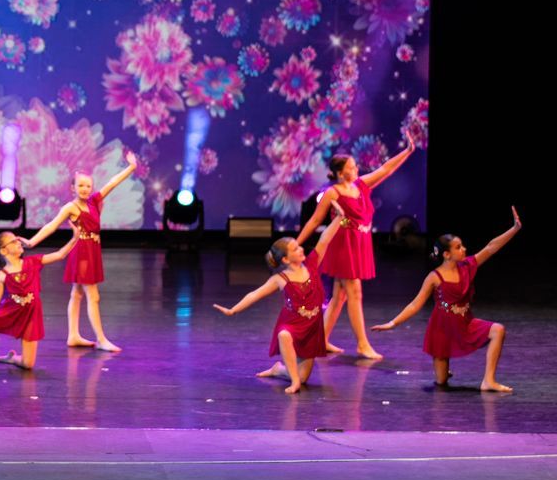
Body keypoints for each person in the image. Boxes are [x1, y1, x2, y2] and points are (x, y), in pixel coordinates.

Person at [292, 126, 421, 360]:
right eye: (351, 167)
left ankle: (319, 339)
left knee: (340, 296)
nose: (356, 169)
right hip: (343, 246)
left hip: (358, 244)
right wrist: (296, 244)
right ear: (340, 173)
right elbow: (314, 221)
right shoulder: (333, 193)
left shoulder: (360, 185)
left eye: (355, 166)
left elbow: (386, 169)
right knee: (354, 292)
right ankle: (362, 344)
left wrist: (408, 151)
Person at [375, 207, 523, 392]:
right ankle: (443, 368)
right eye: (458, 247)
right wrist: (393, 323)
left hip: (465, 323)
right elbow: (415, 304)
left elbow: (491, 247)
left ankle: (488, 380)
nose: (464, 249)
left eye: (462, 246)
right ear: (446, 254)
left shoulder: (467, 266)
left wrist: (514, 229)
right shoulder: (435, 277)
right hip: (442, 330)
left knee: (498, 330)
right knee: (442, 382)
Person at [212, 205, 345, 394]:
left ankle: (279, 370)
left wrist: (339, 218)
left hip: (311, 328)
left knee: (303, 376)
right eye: (295, 249)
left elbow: (324, 239)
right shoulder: (280, 279)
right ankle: (294, 383)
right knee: (284, 335)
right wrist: (233, 310)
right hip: (291, 325)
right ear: (285, 260)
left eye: (299, 246)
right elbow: (254, 294)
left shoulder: (312, 264)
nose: (300, 249)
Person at [25, 150, 140, 351]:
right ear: (73, 188)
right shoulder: (70, 208)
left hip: (92, 250)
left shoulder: (94, 201)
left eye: (88, 185)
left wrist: (131, 167)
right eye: (80, 186)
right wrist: (32, 242)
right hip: (82, 253)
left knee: (77, 293)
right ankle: (101, 339)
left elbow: (112, 183)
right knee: (93, 296)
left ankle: (73, 336)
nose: (85, 189)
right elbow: (51, 226)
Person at [0, 224, 83, 373]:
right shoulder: (2, 275)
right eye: (14, 241)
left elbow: (60, 254)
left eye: (18, 240)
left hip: (30, 315)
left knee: (28, 364)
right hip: (11, 311)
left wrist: (75, 238)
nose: (19, 243)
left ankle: (11, 358)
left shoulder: (33, 262)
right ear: (3, 250)